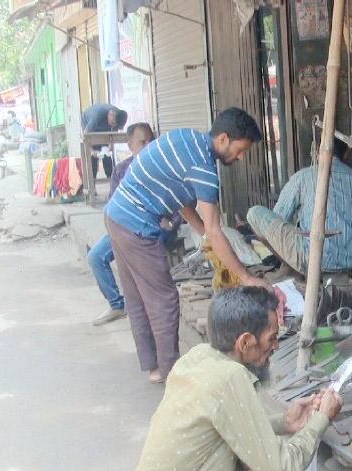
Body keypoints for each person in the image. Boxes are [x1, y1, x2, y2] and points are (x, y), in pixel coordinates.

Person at [131, 287, 343, 471]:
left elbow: (225, 427)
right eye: (271, 338)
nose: (276, 346)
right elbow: (281, 468)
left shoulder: (200, 358)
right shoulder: (230, 378)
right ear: (245, 342)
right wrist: (320, 420)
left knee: (261, 461)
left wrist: (284, 422)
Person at [104, 107, 270, 383]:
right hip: (135, 226)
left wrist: (203, 235)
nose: (240, 158)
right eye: (240, 150)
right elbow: (216, 231)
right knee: (165, 300)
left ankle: (153, 367)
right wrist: (246, 277)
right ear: (224, 139)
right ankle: (173, 377)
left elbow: (181, 201)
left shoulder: (188, 140)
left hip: (116, 216)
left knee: (136, 297)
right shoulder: (205, 169)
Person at [246, 138, 352, 274]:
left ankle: (288, 265)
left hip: (312, 261)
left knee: (254, 213)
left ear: (317, 152)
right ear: (346, 153)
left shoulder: (302, 177)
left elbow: (279, 217)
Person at [89, 122, 156, 326]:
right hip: (124, 228)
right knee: (95, 256)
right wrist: (115, 231)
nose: (147, 146)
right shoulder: (121, 170)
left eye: (151, 141)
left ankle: (148, 307)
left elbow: (179, 206)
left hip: (153, 229)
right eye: (142, 142)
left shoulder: (161, 167)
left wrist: (170, 224)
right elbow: (112, 206)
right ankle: (117, 305)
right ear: (130, 145)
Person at [81, 103, 128, 180]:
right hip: (88, 123)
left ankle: (111, 179)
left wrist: (111, 144)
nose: (113, 126)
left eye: (115, 124)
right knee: (93, 156)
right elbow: (86, 136)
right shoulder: (96, 117)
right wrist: (91, 150)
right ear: (109, 115)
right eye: (112, 123)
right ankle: (93, 181)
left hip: (103, 123)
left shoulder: (119, 115)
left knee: (106, 153)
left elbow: (114, 131)